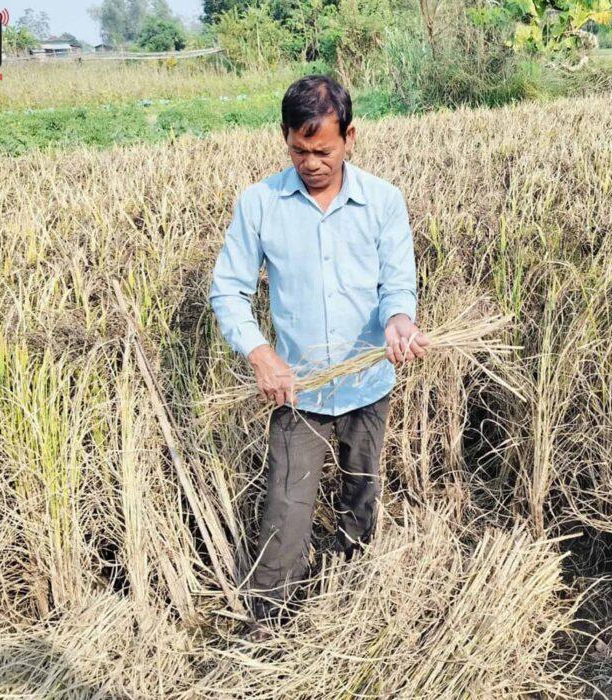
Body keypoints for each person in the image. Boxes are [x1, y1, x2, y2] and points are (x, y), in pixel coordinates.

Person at [208, 75, 429, 635]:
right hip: (298, 390)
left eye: (323, 151)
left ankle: (352, 594)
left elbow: (397, 285)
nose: (311, 163)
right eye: (298, 150)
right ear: (285, 138)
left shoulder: (383, 202)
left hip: (367, 384)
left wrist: (399, 322)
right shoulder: (260, 204)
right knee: (285, 509)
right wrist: (260, 353)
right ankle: (267, 625)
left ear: (349, 137)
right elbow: (228, 291)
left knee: (361, 491)